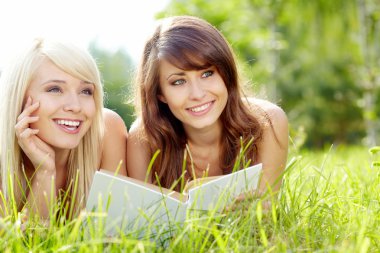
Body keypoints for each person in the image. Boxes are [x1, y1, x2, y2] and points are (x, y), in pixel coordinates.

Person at [127, 15, 288, 202]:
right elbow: (142, 222)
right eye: (178, 81)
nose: (197, 94)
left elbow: (265, 216)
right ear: (159, 93)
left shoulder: (267, 122)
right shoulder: (143, 139)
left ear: (226, 74)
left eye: (207, 73)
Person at [0, 38, 127, 220]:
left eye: (86, 91)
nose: (75, 106)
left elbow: (118, 231)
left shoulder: (107, 130)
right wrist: (44, 172)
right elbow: (28, 247)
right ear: (19, 98)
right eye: (54, 89)